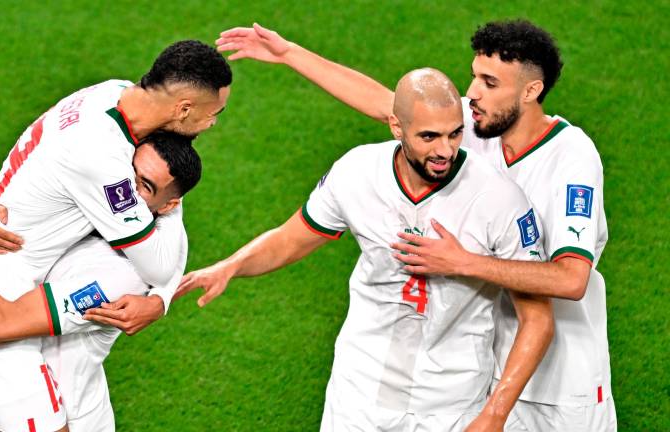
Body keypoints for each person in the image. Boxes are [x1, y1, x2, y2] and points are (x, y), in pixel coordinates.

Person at [215, 21, 615, 431]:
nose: (472, 93)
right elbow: (392, 105)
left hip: (563, 382)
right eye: (475, 77)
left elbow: (571, 279)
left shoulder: (571, 160)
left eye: (489, 82)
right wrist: (289, 54)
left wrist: (463, 262)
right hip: (495, 365)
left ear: (530, 91)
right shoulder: (471, 130)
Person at [176, 69, 553, 431]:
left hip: (450, 405)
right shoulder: (357, 173)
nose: (445, 150)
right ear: (396, 126)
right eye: (429, 137)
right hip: (360, 393)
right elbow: (292, 237)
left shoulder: (499, 199)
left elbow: (538, 319)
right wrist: (230, 266)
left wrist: (495, 414)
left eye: (455, 134)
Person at [0, 132, 201, 432]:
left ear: (168, 206)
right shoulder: (96, 194)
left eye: (145, 187)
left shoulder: (122, 276)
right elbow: (8, 185)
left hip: (62, 417)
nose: (126, 193)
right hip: (22, 403)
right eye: (129, 173)